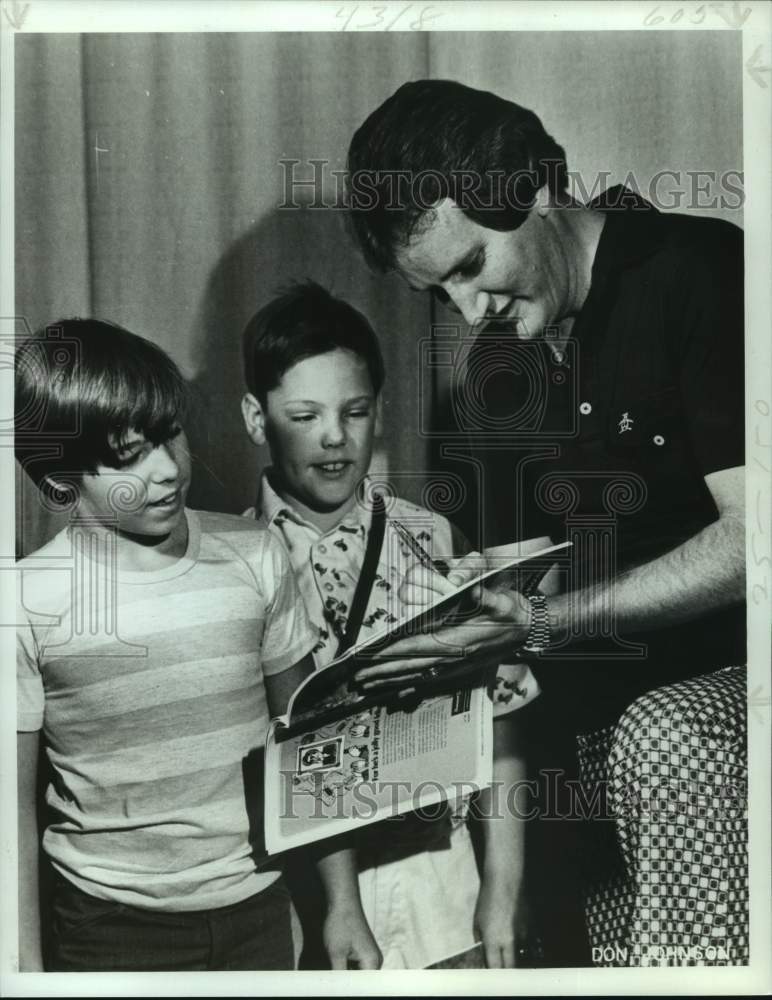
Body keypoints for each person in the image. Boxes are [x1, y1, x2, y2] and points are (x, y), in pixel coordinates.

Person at [345, 80, 747, 966]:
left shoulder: (700, 272)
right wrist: (493, 646)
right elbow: (526, 584)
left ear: (532, 189)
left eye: (468, 266)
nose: (464, 310)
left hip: (724, 693)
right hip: (600, 725)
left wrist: (540, 623)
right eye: (435, 292)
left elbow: (758, 545)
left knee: (663, 736)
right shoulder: (495, 372)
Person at [14, 318, 380, 972]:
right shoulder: (26, 600)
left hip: (258, 908)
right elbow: (9, 808)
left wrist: (343, 904)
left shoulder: (256, 556)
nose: (165, 470)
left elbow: (310, 736)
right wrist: (22, 966)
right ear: (59, 478)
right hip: (107, 925)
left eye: (168, 436)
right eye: (127, 456)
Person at [240, 280, 538, 968]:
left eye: (356, 410)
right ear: (257, 417)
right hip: (310, 907)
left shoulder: (428, 536)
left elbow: (505, 716)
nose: (335, 437)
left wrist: (502, 885)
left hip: (446, 887)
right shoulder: (233, 560)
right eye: (305, 414)